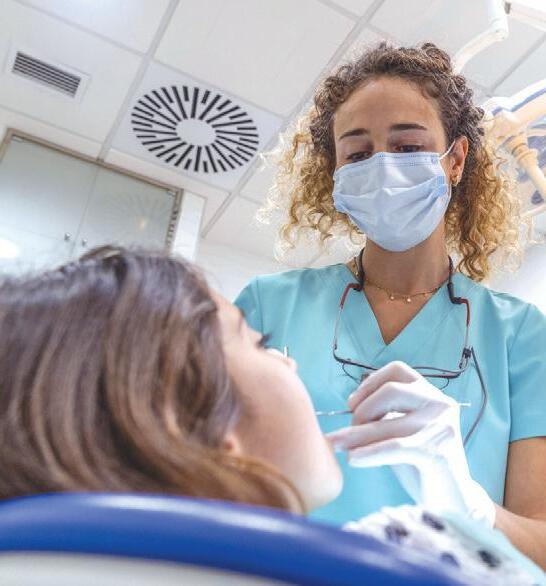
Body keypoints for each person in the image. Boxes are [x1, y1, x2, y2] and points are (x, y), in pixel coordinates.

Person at [0, 247, 541, 584]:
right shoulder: (418, 544)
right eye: (259, 344)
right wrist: (463, 524)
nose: (288, 358)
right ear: (202, 427)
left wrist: (475, 506)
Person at [235, 42, 546, 568]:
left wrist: (472, 507)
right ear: (335, 174)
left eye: (407, 147)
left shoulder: (521, 335)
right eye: (358, 154)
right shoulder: (268, 307)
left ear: (455, 160)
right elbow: (203, 475)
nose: (382, 168)